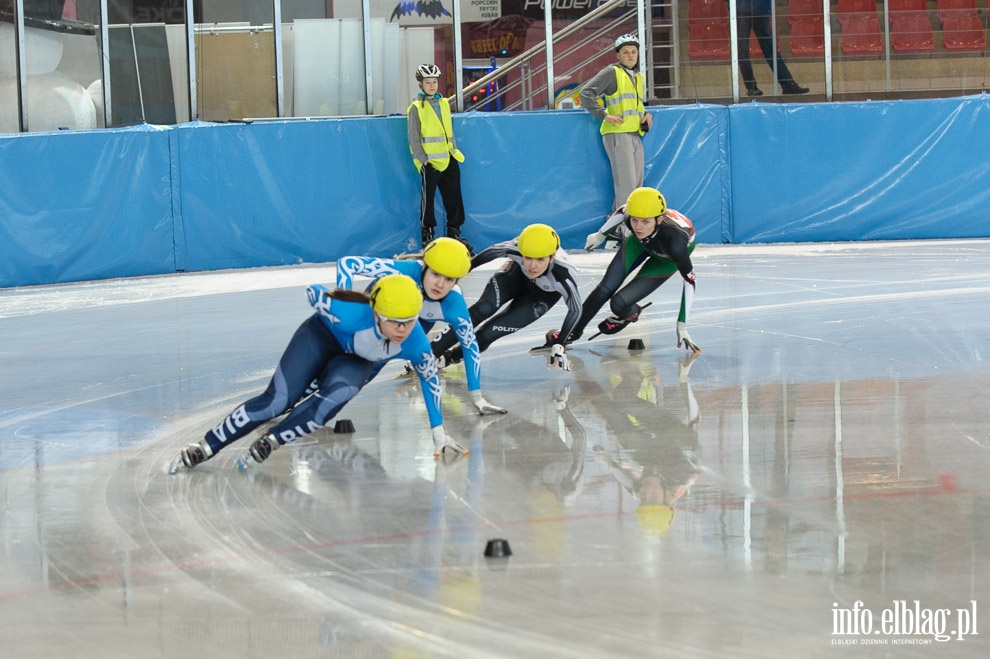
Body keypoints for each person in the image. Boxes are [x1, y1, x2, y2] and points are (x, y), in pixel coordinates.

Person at [171, 273, 468, 471]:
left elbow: (430, 381)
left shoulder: (416, 342)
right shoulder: (346, 313)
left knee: (339, 394)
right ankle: (206, 446)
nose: (403, 330)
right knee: (278, 401)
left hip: (353, 360)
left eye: (410, 321)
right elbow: (312, 292)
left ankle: (274, 439)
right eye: (395, 322)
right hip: (319, 339)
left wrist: (438, 433)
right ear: (376, 313)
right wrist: (336, 298)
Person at [335, 237, 505, 415]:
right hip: (385, 301)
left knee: (375, 362)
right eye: (435, 274)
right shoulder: (407, 271)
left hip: (416, 320)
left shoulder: (454, 306)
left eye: (449, 279)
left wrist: (477, 397)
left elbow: (470, 347)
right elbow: (348, 264)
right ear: (424, 266)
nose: (440, 284)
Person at [431, 223, 582, 372]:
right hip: (515, 276)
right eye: (528, 258)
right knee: (483, 308)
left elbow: (575, 309)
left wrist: (560, 342)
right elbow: (490, 253)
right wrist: (459, 273)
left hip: (540, 296)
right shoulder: (516, 247)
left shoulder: (564, 274)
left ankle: (448, 359)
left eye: (540, 260)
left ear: (552, 257)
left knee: (490, 333)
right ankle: (431, 352)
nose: (532, 266)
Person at [577, 186, 701, 353]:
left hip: (666, 260)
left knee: (618, 303)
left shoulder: (676, 243)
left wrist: (682, 325)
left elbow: (690, 281)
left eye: (645, 221)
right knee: (604, 289)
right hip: (639, 244)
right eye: (635, 220)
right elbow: (622, 211)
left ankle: (631, 313)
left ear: (659, 220)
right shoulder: (634, 219)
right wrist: (600, 235)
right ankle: (573, 333)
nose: (638, 227)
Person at [579, 34, 653, 218]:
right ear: (617, 55)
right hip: (617, 135)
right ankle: (624, 228)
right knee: (626, 186)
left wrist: (645, 114)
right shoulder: (612, 72)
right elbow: (586, 93)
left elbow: (635, 104)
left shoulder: (638, 77)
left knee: (635, 186)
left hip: (634, 134)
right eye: (625, 52)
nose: (630, 55)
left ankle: (615, 223)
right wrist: (604, 114)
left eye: (634, 52)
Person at [407, 63, 468, 249]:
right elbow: (413, 138)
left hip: (449, 158)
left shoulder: (444, 103)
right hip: (430, 163)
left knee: (454, 198)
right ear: (421, 85)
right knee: (429, 201)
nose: (432, 85)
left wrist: (453, 150)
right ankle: (428, 236)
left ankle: (454, 232)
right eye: (427, 82)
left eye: (434, 81)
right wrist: (424, 161)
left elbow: (449, 131)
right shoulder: (416, 108)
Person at [734, 0, 809, 97]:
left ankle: (787, 84)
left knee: (769, 48)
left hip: (756, 8)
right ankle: (752, 87)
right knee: (744, 50)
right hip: (745, 8)